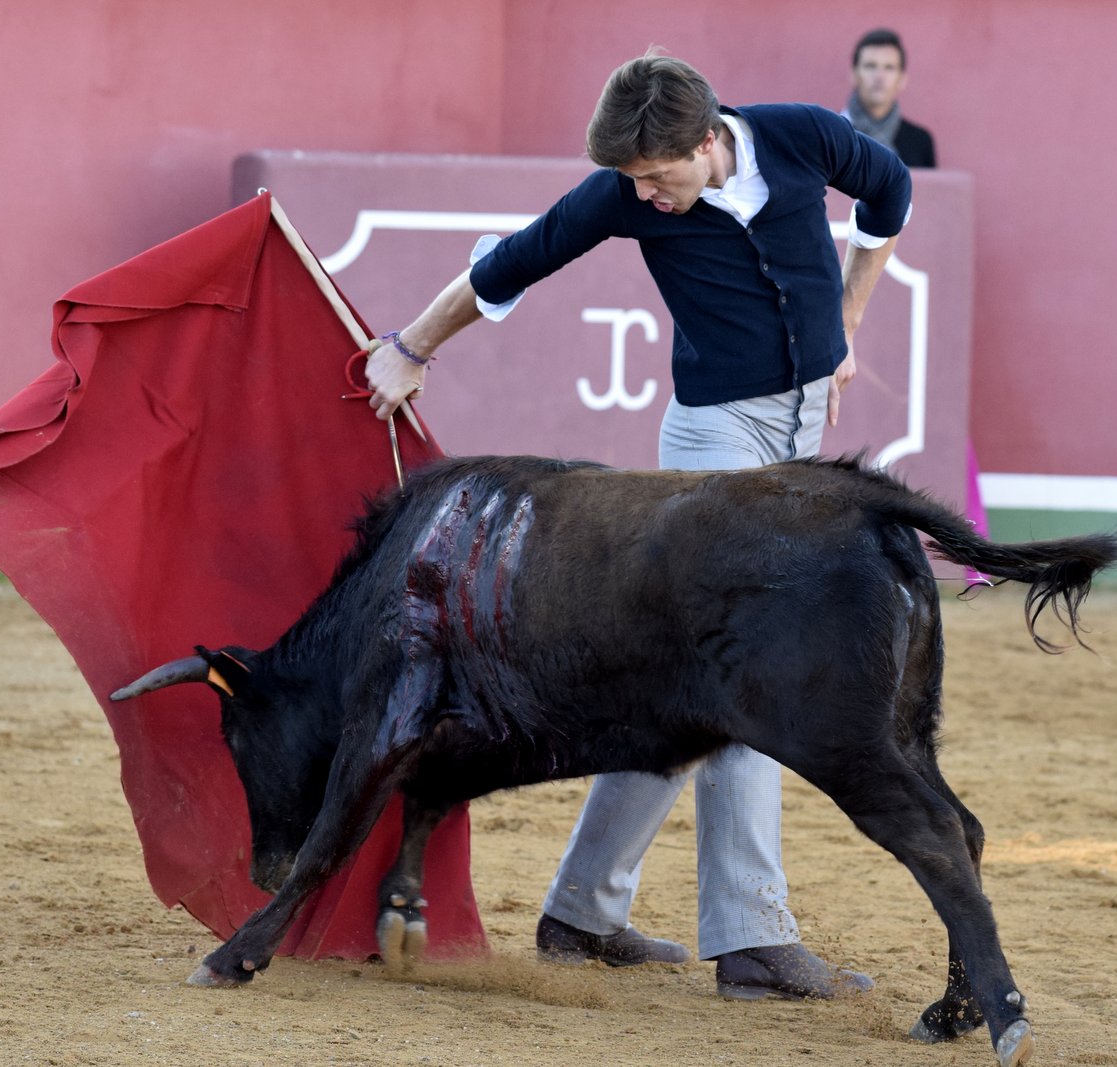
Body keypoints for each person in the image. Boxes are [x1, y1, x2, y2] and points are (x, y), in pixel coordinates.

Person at [363, 52, 909, 1000]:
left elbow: (889, 193)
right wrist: (411, 347)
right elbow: (508, 267)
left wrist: (848, 323)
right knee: (746, 667)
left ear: (709, 140)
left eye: (661, 177)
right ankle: (752, 935)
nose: (647, 196)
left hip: (802, 431)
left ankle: (581, 910)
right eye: (634, 182)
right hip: (713, 440)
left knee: (675, 681)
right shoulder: (625, 191)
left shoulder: (800, 136)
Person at [846, 28, 936, 168]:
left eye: (889, 67)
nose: (879, 76)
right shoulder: (833, 134)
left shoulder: (920, 141)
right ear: (854, 75)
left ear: (902, 79)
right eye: (870, 66)